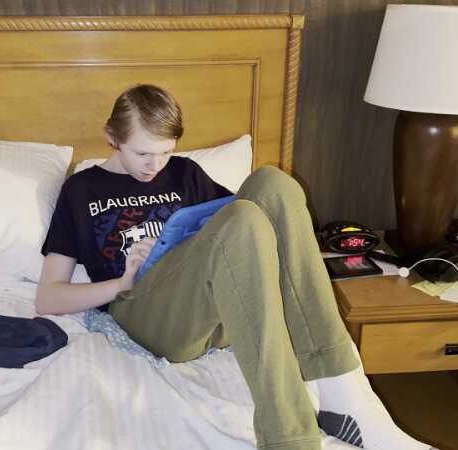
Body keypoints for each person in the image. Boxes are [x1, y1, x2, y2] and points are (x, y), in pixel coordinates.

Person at [36, 85, 431, 450]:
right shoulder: (82, 191)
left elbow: (248, 222)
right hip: (145, 309)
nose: (154, 165)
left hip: (218, 305)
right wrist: (121, 282)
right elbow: (48, 297)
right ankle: (290, 437)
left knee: (273, 184)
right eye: (142, 153)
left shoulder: (185, 173)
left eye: (166, 151)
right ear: (112, 135)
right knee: (242, 219)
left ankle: (342, 391)